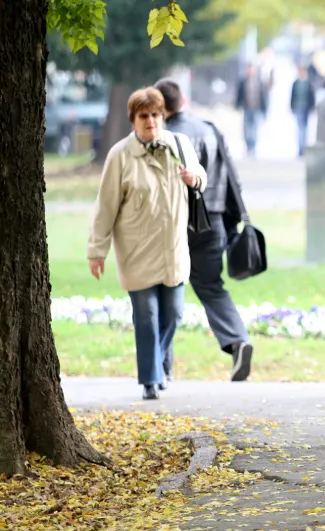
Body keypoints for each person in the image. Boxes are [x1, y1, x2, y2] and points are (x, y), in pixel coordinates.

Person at [87, 88, 207, 400]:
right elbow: (105, 207)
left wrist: (194, 178)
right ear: (133, 121)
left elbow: (201, 176)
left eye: (155, 115)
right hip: (136, 252)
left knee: (175, 314)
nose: (151, 121)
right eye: (144, 116)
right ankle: (151, 379)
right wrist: (96, 251)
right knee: (147, 317)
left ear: (163, 116)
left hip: (173, 249)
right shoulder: (119, 155)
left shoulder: (179, 145)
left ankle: (157, 364)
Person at [154, 79, 255, 383]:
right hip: (213, 222)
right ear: (182, 100)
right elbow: (229, 177)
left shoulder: (164, 137)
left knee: (166, 285)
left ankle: (161, 363)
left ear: (160, 107)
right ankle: (238, 340)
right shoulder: (210, 129)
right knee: (211, 285)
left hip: (177, 221)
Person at [236, 63, 268, 157]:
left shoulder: (259, 82)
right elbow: (239, 94)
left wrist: (264, 108)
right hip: (247, 108)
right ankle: (248, 147)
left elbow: (263, 96)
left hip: (256, 108)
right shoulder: (244, 81)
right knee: (247, 129)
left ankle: (253, 147)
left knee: (254, 129)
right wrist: (238, 105)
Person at [290, 66, 317, 157]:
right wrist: (292, 107)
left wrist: (312, 108)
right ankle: (301, 148)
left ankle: (303, 147)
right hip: (298, 108)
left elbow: (312, 97)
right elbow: (292, 96)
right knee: (300, 129)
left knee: (304, 129)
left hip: (306, 108)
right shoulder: (296, 83)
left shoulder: (308, 84)